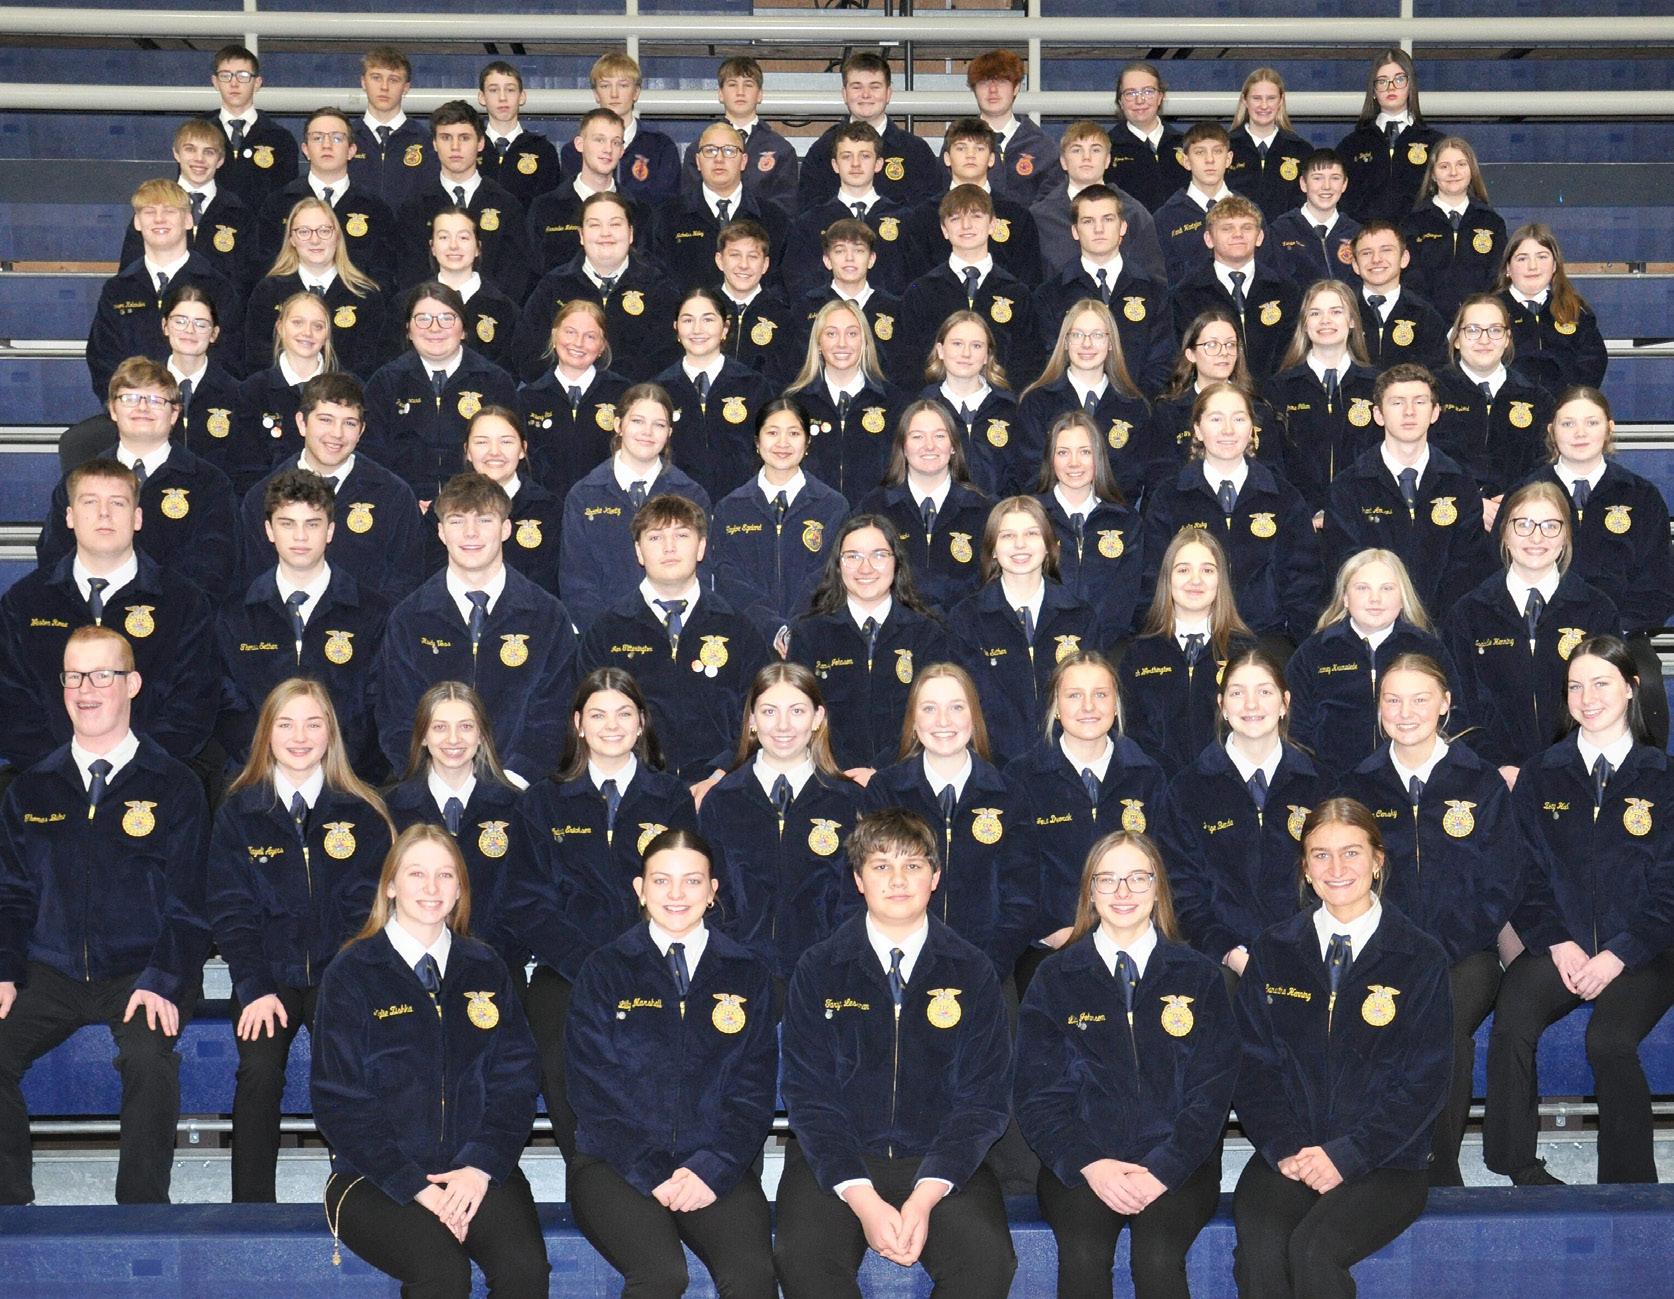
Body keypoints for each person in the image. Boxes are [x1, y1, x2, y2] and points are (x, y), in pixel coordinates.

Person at [0, 627, 211, 1205]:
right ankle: (10, 1211)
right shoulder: (31, 789)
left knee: (147, 1058)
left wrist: (164, 978)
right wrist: (5, 969)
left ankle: (141, 1214)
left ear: (132, 684)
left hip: (143, 970)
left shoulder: (175, 785)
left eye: (101, 675)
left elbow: (191, 903)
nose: (85, 690)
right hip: (50, 970)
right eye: (73, 676)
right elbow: (11, 894)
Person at [774, 808, 1016, 1299]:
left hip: (938, 1159)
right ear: (859, 880)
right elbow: (808, 1096)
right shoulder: (818, 968)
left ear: (935, 877)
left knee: (988, 1263)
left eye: (913, 865)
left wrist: (924, 1197)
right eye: (882, 866)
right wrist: (863, 1199)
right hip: (838, 1159)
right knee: (803, 1260)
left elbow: (984, 1100)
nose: (898, 880)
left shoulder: (972, 970)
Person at [312, 824, 549, 1298]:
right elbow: (339, 1101)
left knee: (524, 1271)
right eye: (416, 874)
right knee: (443, 1274)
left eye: (445, 875)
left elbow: (515, 1081)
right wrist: (415, 1186)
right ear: (390, 886)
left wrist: (479, 1167)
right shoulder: (353, 972)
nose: (432, 887)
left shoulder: (485, 966)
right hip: (376, 1176)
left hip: (474, 1171)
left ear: (460, 888)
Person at [1231, 798, 1452, 1297]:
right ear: (1305, 869)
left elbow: (1425, 1081)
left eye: (1351, 852)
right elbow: (1252, 1067)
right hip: (1290, 1152)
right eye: (1321, 855)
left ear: (1377, 861)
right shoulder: (1274, 949)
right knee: (1260, 1250)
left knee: (1314, 1252)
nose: (1336, 868)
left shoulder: (1420, 956)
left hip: (1386, 1160)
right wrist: (1286, 1148)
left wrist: (1348, 1155)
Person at [1015, 830, 1238, 1299]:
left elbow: (1212, 1091)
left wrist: (1163, 1168)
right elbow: (1037, 1095)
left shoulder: (1199, 975)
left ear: (1158, 888)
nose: (1123, 892)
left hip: (1180, 1161)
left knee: (1157, 1256)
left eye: (1138, 878)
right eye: (1108, 879)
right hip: (1084, 1161)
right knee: (1083, 1253)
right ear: (1089, 892)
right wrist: (1091, 1164)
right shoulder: (1054, 977)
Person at [1487, 635, 1674, 1185]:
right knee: (1512, 1020)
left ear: (1631, 688)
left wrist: (1619, 954)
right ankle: (1517, 1166)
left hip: (1644, 952)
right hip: (1561, 945)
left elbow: (1669, 888)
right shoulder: (1541, 773)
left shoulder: (1664, 777)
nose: (1587, 698)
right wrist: (1558, 942)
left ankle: (1628, 1186)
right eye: (1575, 686)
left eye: (1600, 683)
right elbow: (1522, 874)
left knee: (1609, 1041)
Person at [565, 828, 779, 1299]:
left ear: (712, 890)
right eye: (661, 881)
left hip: (715, 1164)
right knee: (662, 1275)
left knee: (752, 1276)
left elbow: (754, 1090)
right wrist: (650, 1169)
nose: (677, 894)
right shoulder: (604, 970)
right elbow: (591, 1091)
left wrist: (713, 1167)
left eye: (692, 881)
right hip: (615, 1164)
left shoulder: (747, 973)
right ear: (640, 889)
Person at [1334, 654, 1520, 1186]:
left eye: (1420, 699)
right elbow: (1344, 878)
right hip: (1383, 949)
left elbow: (1501, 881)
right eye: (1392, 700)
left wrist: (1441, 949)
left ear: (1445, 704)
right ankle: (1376, 1158)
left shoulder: (1480, 781)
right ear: (1378, 708)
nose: (1405, 712)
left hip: (1466, 953)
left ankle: (1439, 1167)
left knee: (1444, 1026)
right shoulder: (1359, 786)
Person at [208, 678, 393, 1202]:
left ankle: (360, 1197)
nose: (300, 737)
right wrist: (254, 986)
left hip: (341, 974)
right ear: (267, 733)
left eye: (313, 724)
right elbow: (231, 909)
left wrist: (346, 981)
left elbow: (369, 911)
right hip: (268, 977)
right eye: (286, 724)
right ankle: (251, 1206)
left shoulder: (362, 811)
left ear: (331, 733)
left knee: (351, 1061)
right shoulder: (239, 813)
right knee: (259, 1067)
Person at [516, 668, 699, 1157]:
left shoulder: (671, 798)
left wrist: (637, 958)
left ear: (641, 723)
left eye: (624, 714)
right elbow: (528, 901)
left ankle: (654, 1166)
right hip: (566, 969)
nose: (611, 726)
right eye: (598, 715)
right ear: (578, 724)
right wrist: (587, 963)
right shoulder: (543, 800)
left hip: (653, 963)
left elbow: (683, 891)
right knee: (559, 1058)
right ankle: (587, 1173)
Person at [0, 457, 215, 771]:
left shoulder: (183, 602)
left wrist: (129, 772)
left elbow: (191, 708)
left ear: (137, 517)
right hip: (48, 780)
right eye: (90, 502)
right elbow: (12, 706)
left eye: (117, 503)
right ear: (69, 516)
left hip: (153, 780)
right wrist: (69, 773)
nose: (104, 513)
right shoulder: (25, 602)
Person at [376, 472, 577, 782]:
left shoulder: (548, 617)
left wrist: (514, 781)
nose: (470, 533)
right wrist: (436, 783)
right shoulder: (408, 618)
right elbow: (397, 717)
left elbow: (553, 716)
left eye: (484, 520)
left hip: (521, 791)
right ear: (441, 532)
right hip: (431, 790)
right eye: (457, 521)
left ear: (506, 528)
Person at [1003, 650, 1174, 992]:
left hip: (1136, 936)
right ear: (1056, 706)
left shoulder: (1147, 775)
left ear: (1116, 705)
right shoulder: (1021, 778)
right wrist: (1053, 932)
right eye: (1074, 695)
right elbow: (1014, 873)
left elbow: (1163, 866)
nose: (1088, 707)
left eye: (1100, 694)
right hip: (1054, 943)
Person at [578, 493, 770, 789]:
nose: (669, 547)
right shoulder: (606, 632)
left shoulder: (739, 629)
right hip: (635, 789)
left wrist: (721, 776)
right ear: (639, 551)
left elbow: (761, 715)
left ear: (701, 547)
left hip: (723, 788)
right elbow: (589, 720)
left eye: (681, 535)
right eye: (655, 537)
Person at [861, 663, 1033, 980]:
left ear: (974, 717)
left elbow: (1021, 899)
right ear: (913, 721)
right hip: (897, 970)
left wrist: (986, 969)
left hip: (986, 971)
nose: (943, 721)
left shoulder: (1008, 796)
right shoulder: (885, 791)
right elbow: (870, 884)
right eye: (929, 708)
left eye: (956, 707)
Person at [1165, 648, 1327, 982]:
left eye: (1264, 692)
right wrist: (1230, 954)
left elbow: (1334, 878)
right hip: (1220, 967)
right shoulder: (1187, 790)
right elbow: (1182, 892)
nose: (1251, 705)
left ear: (1284, 703)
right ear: (1222, 706)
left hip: (1309, 959)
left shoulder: (1321, 785)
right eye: (1238, 693)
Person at [1522, 387, 1673, 745]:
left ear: (1609, 428)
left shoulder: (1640, 495)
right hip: (1539, 634)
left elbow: (1659, 585)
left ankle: (1646, 774)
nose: (1579, 433)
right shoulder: (1526, 492)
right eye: (1568, 423)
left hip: (1619, 635)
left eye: (1591, 423)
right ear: (1551, 431)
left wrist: (1611, 630)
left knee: (1648, 685)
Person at [1443, 479, 1621, 782]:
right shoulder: (1468, 614)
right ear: (1504, 532)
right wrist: (1496, 767)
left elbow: (1608, 700)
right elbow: (1457, 706)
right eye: (1523, 524)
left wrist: (1569, 765)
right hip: (1493, 777)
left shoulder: (1597, 610)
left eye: (1551, 526)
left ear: (1566, 536)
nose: (1537, 537)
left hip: (1577, 774)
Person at [701, 663, 864, 991]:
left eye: (797, 711)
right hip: (738, 978)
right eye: (769, 711)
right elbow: (710, 893)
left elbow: (857, 897)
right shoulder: (721, 800)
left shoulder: (848, 801)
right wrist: (732, 956)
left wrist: (832, 961)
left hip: (826, 977)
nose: (783, 725)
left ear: (818, 718)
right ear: (752, 720)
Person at [215, 468, 390, 772]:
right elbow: (226, 702)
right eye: (287, 524)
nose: (300, 536)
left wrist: (333, 765)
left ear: (330, 531)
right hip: (258, 776)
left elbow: (379, 705)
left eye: (312, 524)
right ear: (269, 531)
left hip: (347, 778)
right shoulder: (235, 614)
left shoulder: (374, 613)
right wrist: (269, 761)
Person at [39, 355, 238, 602]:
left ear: (174, 413)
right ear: (113, 409)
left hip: (176, 615)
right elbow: (54, 556)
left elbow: (213, 567)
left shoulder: (209, 483)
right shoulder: (78, 481)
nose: (142, 408)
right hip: (93, 612)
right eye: (130, 398)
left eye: (156, 400)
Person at [1141, 381, 1321, 644]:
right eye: (1216, 419)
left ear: (1252, 429)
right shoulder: (1168, 498)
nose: (1228, 430)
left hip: (1266, 641)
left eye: (1238, 419)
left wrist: (1293, 647)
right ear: (1197, 429)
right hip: (1191, 642)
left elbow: (1304, 584)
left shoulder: (1284, 498)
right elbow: (1153, 579)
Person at [237, 371, 425, 607]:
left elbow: (405, 582)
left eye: (349, 423)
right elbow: (253, 583)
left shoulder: (394, 495)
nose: (337, 434)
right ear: (302, 423)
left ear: (361, 431)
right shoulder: (262, 496)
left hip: (369, 626)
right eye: (326, 420)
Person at [1322, 363, 1497, 615]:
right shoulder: (1348, 487)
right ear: (1378, 414)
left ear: (1435, 412)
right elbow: (1345, 566)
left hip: (1444, 624)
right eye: (1397, 403)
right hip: (1375, 621)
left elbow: (1470, 567)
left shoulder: (1460, 484)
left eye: (1420, 402)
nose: (1409, 412)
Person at [787, 515, 951, 776]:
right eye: (853, 556)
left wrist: (880, 772)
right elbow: (799, 714)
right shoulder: (808, 634)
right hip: (830, 778)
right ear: (838, 565)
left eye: (879, 555)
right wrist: (843, 773)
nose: (866, 568)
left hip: (907, 777)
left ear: (896, 563)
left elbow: (934, 716)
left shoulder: (928, 634)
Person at [947, 496, 1103, 766]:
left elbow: (1093, 697)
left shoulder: (1080, 616)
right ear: (992, 549)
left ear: (1049, 545)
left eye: (1031, 533)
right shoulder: (966, 618)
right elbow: (961, 702)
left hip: (1067, 764)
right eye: (1007, 535)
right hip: (993, 766)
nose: (1020, 544)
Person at [386, 682, 524, 976]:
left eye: (465, 727)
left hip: (496, 963)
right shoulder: (390, 809)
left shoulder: (517, 807)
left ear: (481, 735)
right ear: (423, 736)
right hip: (406, 967)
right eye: (439, 727)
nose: (453, 739)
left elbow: (524, 894)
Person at [1287, 548, 1462, 778]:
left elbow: (1456, 718)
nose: (1375, 599)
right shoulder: (1313, 653)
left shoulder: (1429, 649)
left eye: (1387, 588)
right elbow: (1295, 732)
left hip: (1414, 780)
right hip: (1333, 786)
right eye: (1363, 588)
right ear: (1345, 597)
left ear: (1403, 597)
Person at [558, 383, 713, 634]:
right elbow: (577, 583)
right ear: (618, 425)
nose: (647, 432)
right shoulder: (583, 496)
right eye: (638, 421)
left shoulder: (691, 494)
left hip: (675, 632)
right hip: (606, 636)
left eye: (659, 425)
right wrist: (611, 635)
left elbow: (702, 575)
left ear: (669, 432)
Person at [709, 397, 850, 651]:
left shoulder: (833, 506)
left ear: (807, 442)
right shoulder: (730, 508)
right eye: (772, 433)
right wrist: (773, 628)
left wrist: (795, 629)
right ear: (757, 442)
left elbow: (828, 574)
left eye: (794, 433)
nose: (783, 443)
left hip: (814, 638)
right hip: (749, 639)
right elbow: (728, 578)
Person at [1118, 527, 1258, 779]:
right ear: (1167, 579)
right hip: (1156, 786)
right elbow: (1129, 735)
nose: (1196, 580)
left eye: (1207, 570)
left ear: (1221, 580)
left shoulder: (1246, 653)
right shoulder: (1138, 655)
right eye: (1183, 570)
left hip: (1229, 786)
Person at [88, 179, 243, 400]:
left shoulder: (218, 287)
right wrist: (126, 405)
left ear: (188, 220)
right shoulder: (117, 290)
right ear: (137, 222)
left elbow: (231, 357)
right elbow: (102, 360)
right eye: (149, 212)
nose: (159, 219)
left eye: (170, 211)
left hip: (200, 410)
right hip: (135, 411)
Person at [363, 281, 518, 500]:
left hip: (477, 504)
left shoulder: (495, 382)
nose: (434, 328)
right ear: (408, 330)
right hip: (404, 504)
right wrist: (403, 501)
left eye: (447, 318)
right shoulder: (385, 382)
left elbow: (510, 456)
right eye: (423, 319)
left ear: (463, 330)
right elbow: (371, 454)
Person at [514, 190, 678, 384]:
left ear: (630, 233)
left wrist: (617, 388)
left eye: (615, 224)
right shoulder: (553, 286)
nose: (605, 233)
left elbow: (666, 357)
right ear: (581, 235)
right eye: (594, 225)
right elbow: (528, 353)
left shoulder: (658, 287)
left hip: (636, 397)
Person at [1031, 183, 1173, 399]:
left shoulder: (1154, 292)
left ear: (1123, 227)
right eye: (1088, 221)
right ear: (1075, 231)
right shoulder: (1050, 295)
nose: (1099, 229)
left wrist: (1132, 407)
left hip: (1138, 409)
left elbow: (1163, 364)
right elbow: (1049, 363)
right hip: (1072, 413)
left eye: (1108, 219)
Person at [1017, 299, 1159, 505]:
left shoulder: (1134, 407)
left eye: (1097, 335)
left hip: (1114, 517)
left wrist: (1097, 509)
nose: (1087, 344)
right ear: (1066, 342)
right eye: (1077, 335)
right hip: (1052, 516)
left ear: (1111, 343)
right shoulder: (1036, 402)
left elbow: (1133, 477)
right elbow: (1031, 473)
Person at [856, 401, 992, 615]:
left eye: (939, 436)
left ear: (953, 446)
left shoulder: (983, 510)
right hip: (894, 628)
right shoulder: (874, 507)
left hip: (964, 628)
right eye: (917, 436)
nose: (929, 446)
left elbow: (991, 583)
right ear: (903, 446)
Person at [901, 185, 1043, 390]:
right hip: (936, 405)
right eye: (955, 218)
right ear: (944, 230)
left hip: (1001, 405)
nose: (966, 225)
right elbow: (909, 365)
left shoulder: (1017, 293)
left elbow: (1028, 365)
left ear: (993, 224)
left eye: (976, 216)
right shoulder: (921, 292)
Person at [1265, 278, 1382, 518]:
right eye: (1315, 313)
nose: (1325, 320)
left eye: (1336, 312)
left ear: (1352, 321)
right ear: (1304, 324)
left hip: (1362, 515)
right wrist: (1304, 512)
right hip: (1298, 517)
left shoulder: (1376, 385)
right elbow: (1273, 461)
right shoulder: (1279, 388)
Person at [245, 196, 389, 381]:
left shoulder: (365, 296)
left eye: (324, 231)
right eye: (304, 232)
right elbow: (257, 358)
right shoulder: (267, 292)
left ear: (337, 236)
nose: (315, 240)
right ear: (291, 239)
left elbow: (370, 364)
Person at [1431, 293, 1554, 503]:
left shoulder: (1537, 397)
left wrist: (1512, 500)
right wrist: (1471, 502)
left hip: (1518, 509)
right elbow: (1423, 457)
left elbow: (1545, 462)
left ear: (1507, 339)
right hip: (1448, 508)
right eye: (1473, 330)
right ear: (1457, 339)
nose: (1484, 340)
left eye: (1495, 330)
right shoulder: (1431, 391)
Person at [654, 284, 774, 499]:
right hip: (677, 506)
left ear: (725, 328)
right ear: (676, 328)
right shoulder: (659, 390)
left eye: (708, 320)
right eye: (687, 320)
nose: (697, 329)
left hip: (742, 505)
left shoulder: (753, 385)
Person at [1035, 409, 1144, 643]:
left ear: (1099, 457)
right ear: (1050, 459)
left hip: (1107, 649)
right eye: (1063, 452)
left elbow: (1127, 599)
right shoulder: (1031, 518)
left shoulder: (1126, 522)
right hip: (1044, 648)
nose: (1074, 463)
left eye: (1085, 452)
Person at [259, 106, 397, 291]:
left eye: (337, 138)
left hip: (356, 303)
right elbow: (268, 267)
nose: (326, 145)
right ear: (305, 150)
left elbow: (384, 274)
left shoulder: (375, 209)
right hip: (293, 303)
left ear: (351, 150)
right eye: (317, 138)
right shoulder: (278, 204)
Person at [783, 299, 907, 501]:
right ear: (818, 343)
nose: (842, 343)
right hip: (812, 516)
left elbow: (901, 472)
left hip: (875, 516)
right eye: (831, 334)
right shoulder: (794, 403)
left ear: (864, 342)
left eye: (852, 334)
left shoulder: (894, 402)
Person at [1169, 195, 1300, 384]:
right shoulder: (1186, 295)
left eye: (1246, 228)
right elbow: (1184, 360)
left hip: (1275, 396)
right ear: (1209, 239)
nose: (1238, 234)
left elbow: (1293, 354)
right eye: (1227, 228)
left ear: (1260, 237)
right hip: (1212, 396)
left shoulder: (1285, 290)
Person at [119, 118, 260, 292]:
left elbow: (248, 281)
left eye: (209, 152)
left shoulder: (240, 213)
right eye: (190, 149)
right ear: (176, 153)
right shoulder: (151, 207)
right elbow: (130, 273)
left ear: (220, 160)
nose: (199, 159)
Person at [515, 299, 630, 508]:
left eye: (590, 336)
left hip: (609, 509)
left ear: (602, 346)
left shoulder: (623, 394)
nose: (578, 343)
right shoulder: (528, 398)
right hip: (545, 511)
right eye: (570, 332)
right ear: (554, 335)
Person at [781, 122, 914, 302]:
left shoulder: (904, 218)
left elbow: (914, 280)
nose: (855, 164)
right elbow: (798, 282)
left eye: (865, 156)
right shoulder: (810, 222)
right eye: (846, 156)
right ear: (835, 165)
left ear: (878, 164)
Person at [901, 117, 1041, 288]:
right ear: (947, 158)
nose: (970, 155)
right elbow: (916, 283)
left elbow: (1028, 284)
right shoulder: (923, 216)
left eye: (979, 148)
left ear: (991, 159)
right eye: (961, 148)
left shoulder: (1017, 216)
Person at [651, 123, 787, 297]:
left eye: (729, 151)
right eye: (710, 151)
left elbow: (781, 284)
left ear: (744, 161)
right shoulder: (667, 217)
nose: (719, 159)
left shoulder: (774, 219)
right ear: (698, 161)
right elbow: (657, 283)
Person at [796, 51, 942, 211]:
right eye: (856, 87)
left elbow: (929, 214)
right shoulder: (823, 150)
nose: (865, 95)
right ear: (844, 94)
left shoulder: (916, 152)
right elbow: (809, 212)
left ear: (888, 94)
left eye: (875, 87)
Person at [1029, 121, 1166, 285]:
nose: (1086, 157)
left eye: (1095, 150)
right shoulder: (1040, 217)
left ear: (1107, 160)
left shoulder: (1133, 213)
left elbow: (1154, 281)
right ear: (1063, 162)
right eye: (1077, 150)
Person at [1152, 309, 1282, 476]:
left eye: (1230, 344)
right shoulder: (1168, 411)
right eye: (1212, 345)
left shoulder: (1258, 409)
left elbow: (1273, 475)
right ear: (1191, 354)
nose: (1224, 352)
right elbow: (1160, 475)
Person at [235, 289, 337, 497]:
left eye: (317, 326)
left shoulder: (346, 390)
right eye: (298, 323)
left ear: (327, 334)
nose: (307, 332)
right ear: (280, 327)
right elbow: (245, 467)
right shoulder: (253, 390)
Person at [1400, 136, 1506, 323]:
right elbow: (1410, 280)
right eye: (1444, 166)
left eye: (1461, 165)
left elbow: (1497, 278)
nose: (1453, 172)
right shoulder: (1413, 222)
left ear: (1472, 170)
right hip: (1427, 322)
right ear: (1433, 174)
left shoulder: (1491, 222)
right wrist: (1432, 321)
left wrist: (1475, 317)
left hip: (1479, 323)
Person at [679, 55, 800, 214]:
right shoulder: (700, 148)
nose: (740, 92)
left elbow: (785, 211)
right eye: (732, 84)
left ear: (760, 94)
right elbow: (689, 205)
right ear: (720, 94)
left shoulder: (781, 150)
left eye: (748, 85)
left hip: (761, 228)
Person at [1497, 223, 1609, 394]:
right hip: (1508, 404)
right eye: (1522, 258)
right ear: (1507, 268)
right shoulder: (1490, 310)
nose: (1532, 266)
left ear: (1555, 265)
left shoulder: (1575, 309)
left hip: (1564, 405)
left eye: (1542, 257)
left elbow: (1594, 361)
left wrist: (1569, 399)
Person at [919, 311, 1021, 499]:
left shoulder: (1010, 409)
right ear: (940, 350)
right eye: (957, 344)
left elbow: (1022, 474)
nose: (966, 353)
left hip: (998, 514)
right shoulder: (922, 408)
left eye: (976, 346)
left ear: (987, 355)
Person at [1336, 49, 1445, 224]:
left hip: (1419, 238)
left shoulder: (1436, 144)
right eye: (1382, 81)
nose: (1391, 87)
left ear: (1411, 86)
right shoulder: (1351, 145)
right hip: (1366, 238)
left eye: (1399, 79)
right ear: (1373, 90)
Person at [795, 218, 909, 384]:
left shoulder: (895, 308)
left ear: (871, 259)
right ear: (827, 261)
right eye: (840, 251)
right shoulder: (806, 307)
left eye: (859, 250)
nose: (849, 258)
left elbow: (903, 368)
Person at [523, 108, 637, 274]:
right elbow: (531, 272)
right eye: (599, 140)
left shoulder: (639, 211)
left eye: (616, 142)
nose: (608, 149)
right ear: (579, 144)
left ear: (622, 151)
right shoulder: (544, 208)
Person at [558, 52, 680, 204]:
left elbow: (667, 207)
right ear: (596, 94)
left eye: (623, 85)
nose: (614, 94)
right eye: (605, 86)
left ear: (636, 93)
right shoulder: (574, 152)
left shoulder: (660, 147)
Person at [205, 44, 299, 218]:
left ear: (257, 83)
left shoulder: (280, 139)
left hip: (262, 232)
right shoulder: (199, 133)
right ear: (215, 82)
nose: (234, 83)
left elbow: (287, 202)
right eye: (225, 75)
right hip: (210, 229)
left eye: (243, 76)